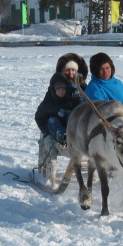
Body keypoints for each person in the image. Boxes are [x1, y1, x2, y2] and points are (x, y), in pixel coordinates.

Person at [34, 53, 89, 187]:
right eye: (68, 70)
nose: (71, 73)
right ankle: (64, 139)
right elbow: (44, 108)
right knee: (53, 121)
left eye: (73, 70)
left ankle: (80, 137)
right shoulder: (56, 86)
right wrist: (56, 110)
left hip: (76, 123)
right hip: (59, 122)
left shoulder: (83, 87)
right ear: (63, 71)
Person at [85, 52, 123, 119]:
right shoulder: (94, 89)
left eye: (107, 68)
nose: (105, 72)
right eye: (101, 69)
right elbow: (102, 115)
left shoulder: (117, 83)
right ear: (95, 71)